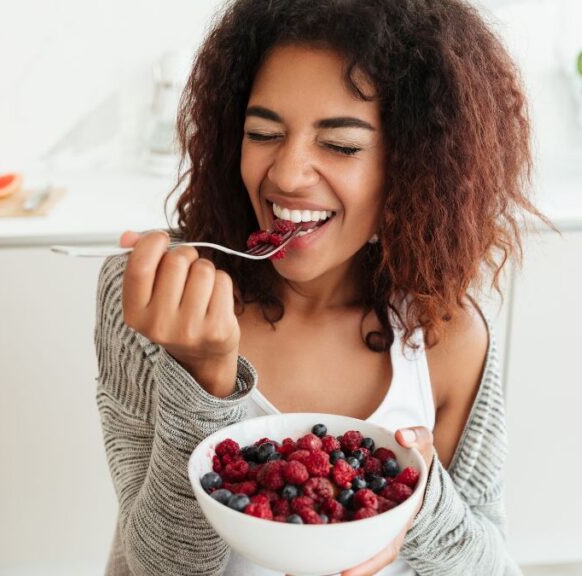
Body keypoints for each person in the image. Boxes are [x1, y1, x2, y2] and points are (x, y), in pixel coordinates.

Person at [95, 0, 552, 574]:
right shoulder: (156, 301)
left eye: (340, 145)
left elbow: (494, 566)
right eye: (263, 133)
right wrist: (203, 379)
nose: (286, 174)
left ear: (412, 165)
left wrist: (419, 504)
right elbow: (158, 568)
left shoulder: (445, 332)